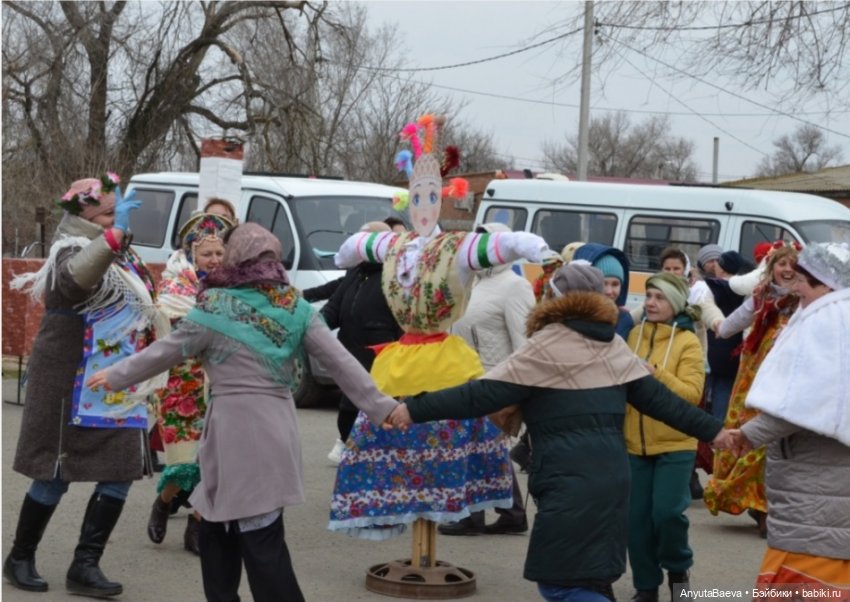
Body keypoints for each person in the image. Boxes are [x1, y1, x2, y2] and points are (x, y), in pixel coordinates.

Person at [85, 223, 398, 602]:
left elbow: (166, 351)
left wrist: (116, 375)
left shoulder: (215, 307)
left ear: (234, 258)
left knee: (243, 533)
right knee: (230, 527)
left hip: (232, 431)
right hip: (275, 428)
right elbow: (343, 364)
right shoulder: (296, 308)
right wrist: (384, 408)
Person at [385, 262, 731, 602]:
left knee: (560, 584)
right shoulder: (614, 346)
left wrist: (413, 409)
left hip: (566, 480)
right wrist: (717, 432)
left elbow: (479, 395)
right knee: (594, 579)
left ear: (555, 299)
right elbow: (665, 404)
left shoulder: (545, 346)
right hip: (613, 480)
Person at [328, 114, 555, 542]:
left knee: (449, 437)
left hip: (444, 357)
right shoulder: (396, 244)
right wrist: (346, 253)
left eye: (431, 196)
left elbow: (493, 246)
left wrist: (528, 245)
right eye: (416, 196)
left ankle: (464, 510)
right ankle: (397, 509)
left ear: (443, 198)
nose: (423, 206)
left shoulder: (454, 247)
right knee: (390, 438)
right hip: (401, 354)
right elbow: (358, 246)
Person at [4, 174, 167, 597]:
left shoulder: (124, 256)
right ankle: (20, 557)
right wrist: (113, 237)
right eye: (109, 213)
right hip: (69, 383)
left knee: (121, 472)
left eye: (119, 213)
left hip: (119, 383)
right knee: (54, 474)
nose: (118, 220)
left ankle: (85, 566)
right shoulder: (69, 250)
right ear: (86, 216)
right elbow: (77, 281)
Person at [731, 242, 850, 599]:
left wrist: (747, 434)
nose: (794, 287)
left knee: (802, 582)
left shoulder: (830, 319)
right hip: (829, 481)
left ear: (826, 283)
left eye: (801, 280)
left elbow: (807, 398)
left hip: (817, 484)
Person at [146, 213, 234, 555]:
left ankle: (197, 525)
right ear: (191, 254)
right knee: (183, 462)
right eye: (207, 253)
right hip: (181, 383)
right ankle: (164, 501)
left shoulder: (233, 286)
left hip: (221, 382)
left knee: (215, 460)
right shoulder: (175, 286)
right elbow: (171, 328)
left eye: (219, 253)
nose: (214, 260)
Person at [439, 222, 534, 536]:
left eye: (486, 244)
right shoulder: (471, 282)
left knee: (479, 449)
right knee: (483, 451)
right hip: (466, 377)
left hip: (495, 379)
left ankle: (473, 515)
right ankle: (511, 513)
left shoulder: (515, 286)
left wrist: (518, 391)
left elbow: (524, 342)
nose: (479, 250)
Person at [703, 241, 801, 537]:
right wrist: (713, 321)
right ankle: (760, 507)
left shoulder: (806, 299)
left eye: (792, 264)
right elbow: (731, 324)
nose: (787, 269)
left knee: (780, 438)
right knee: (754, 435)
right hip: (756, 376)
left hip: (791, 376)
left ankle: (770, 505)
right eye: (782, 264)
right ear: (772, 268)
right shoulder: (763, 295)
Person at [625, 272, 706, 602]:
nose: (650, 303)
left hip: (676, 444)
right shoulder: (633, 334)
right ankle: (646, 586)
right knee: (636, 522)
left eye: (659, 297)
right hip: (634, 444)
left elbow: (692, 395)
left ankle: (678, 572)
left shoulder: (688, 341)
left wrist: (656, 375)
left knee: (668, 515)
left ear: (675, 302)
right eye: (648, 296)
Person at [321, 221, 403, 465]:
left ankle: (376, 470)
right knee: (347, 415)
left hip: (382, 363)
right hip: (349, 359)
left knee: (378, 421)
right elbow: (332, 309)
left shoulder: (396, 276)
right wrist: (310, 328)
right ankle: (355, 463)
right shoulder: (355, 272)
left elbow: (403, 323)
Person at [572, 243, 634, 338]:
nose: (609, 291)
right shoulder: (570, 315)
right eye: (603, 284)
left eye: (615, 284)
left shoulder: (623, 319)